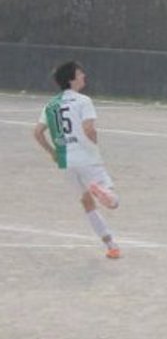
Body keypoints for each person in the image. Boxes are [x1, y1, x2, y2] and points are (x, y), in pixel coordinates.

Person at [32, 61, 122, 260]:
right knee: (113, 201)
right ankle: (105, 193)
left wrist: (52, 152)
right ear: (71, 79)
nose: (84, 76)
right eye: (80, 74)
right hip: (86, 157)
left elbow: (37, 132)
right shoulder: (83, 101)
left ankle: (111, 244)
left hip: (65, 161)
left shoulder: (51, 105)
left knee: (86, 203)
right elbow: (89, 129)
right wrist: (94, 144)